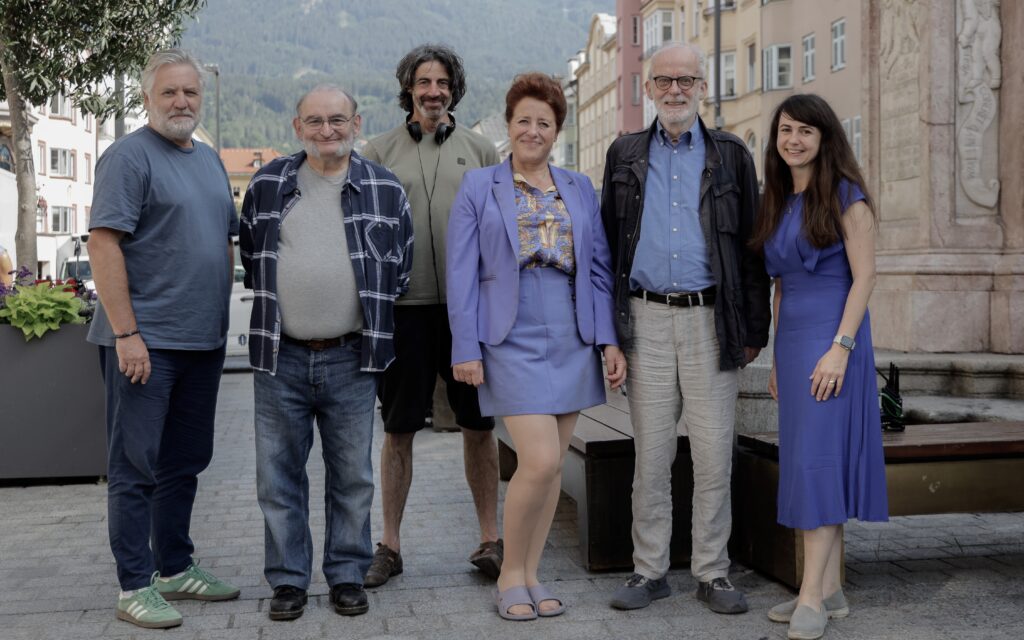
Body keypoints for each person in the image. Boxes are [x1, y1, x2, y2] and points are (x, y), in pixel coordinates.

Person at [600, 43, 771, 614]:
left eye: (687, 81)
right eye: (665, 81)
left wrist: (752, 330)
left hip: (710, 319)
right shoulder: (624, 153)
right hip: (644, 318)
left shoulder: (731, 155)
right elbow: (607, 246)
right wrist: (611, 334)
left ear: (703, 88)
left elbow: (753, 249)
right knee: (650, 455)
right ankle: (648, 570)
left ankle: (712, 572)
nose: (675, 90)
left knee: (712, 453)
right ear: (649, 88)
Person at [447, 72, 626, 621]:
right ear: (508, 125)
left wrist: (608, 340)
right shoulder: (480, 186)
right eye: (523, 120)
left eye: (543, 123)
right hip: (509, 333)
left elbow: (598, 269)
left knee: (549, 470)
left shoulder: (578, 187)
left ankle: (531, 573)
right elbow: (460, 273)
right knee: (540, 459)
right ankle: (508, 574)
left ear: (557, 131)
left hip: (571, 332)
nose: (532, 130)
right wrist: (465, 347)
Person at [240, 85, 414, 621]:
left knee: (353, 475)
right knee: (278, 477)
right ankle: (289, 580)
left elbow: (400, 268)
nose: (326, 130)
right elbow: (253, 257)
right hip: (281, 356)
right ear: (297, 127)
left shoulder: (385, 188)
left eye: (337, 120)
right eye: (314, 121)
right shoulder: (268, 184)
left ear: (356, 123)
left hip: (351, 357)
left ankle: (345, 575)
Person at [87, 49, 240, 630]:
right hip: (144, 342)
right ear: (148, 98)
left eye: (190, 94)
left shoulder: (207, 160)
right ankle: (133, 585)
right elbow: (104, 244)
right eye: (169, 93)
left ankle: (174, 567)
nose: (181, 102)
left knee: (184, 462)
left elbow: (222, 243)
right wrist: (127, 333)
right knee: (135, 465)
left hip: (201, 342)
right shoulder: (128, 157)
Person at [360, 43, 503, 586]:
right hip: (403, 312)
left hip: (469, 315)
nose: (433, 92)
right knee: (398, 430)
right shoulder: (377, 152)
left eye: (442, 83)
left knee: (478, 425)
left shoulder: (482, 150)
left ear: (453, 90)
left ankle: (491, 539)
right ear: (409, 89)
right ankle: (390, 546)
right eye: (424, 82)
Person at [753, 93, 888, 640]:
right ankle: (829, 589)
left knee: (818, 465)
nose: (794, 139)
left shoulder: (848, 196)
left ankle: (810, 596)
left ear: (825, 137)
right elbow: (781, 286)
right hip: (794, 346)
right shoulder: (781, 199)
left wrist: (840, 348)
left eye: (806, 131)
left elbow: (866, 278)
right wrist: (777, 361)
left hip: (835, 343)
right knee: (810, 462)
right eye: (786, 129)